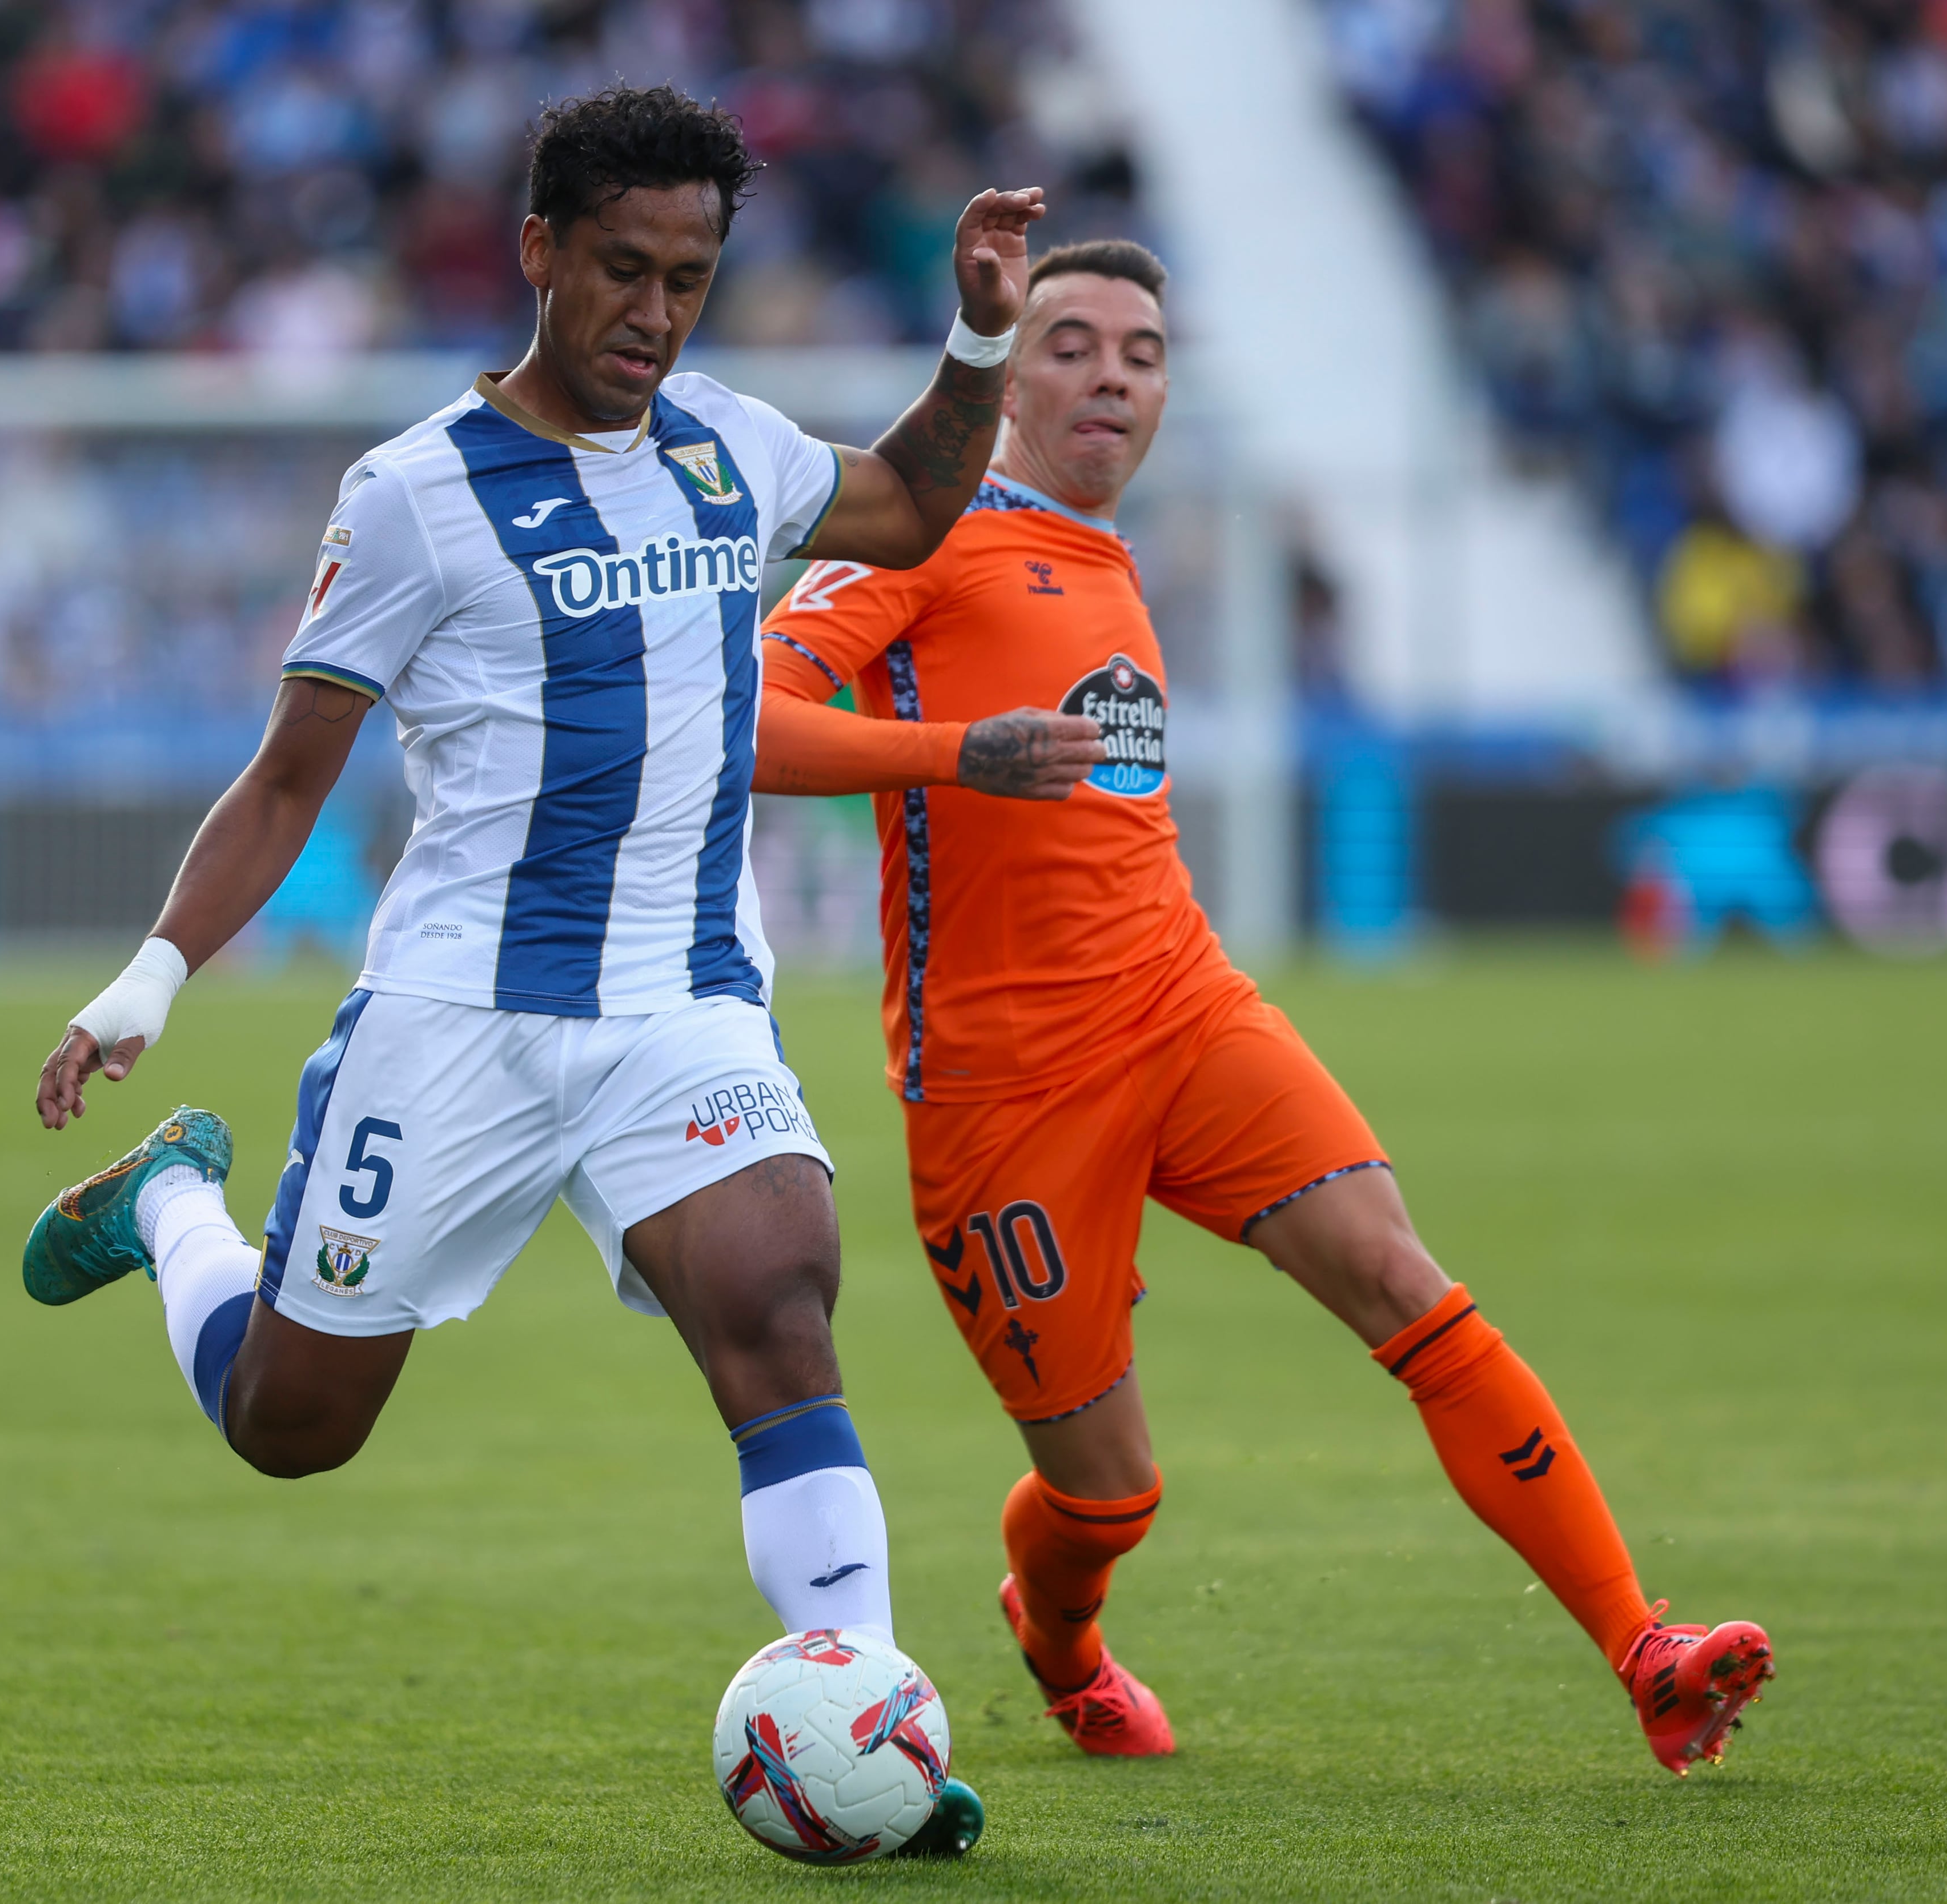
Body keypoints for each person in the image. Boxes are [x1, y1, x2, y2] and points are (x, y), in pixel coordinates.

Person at [17, 85, 1035, 1835]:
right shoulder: (413, 497)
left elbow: (914, 506)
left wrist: (978, 336)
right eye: (623, 270)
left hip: (681, 1005)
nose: (653, 315)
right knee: (292, 1423)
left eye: (689, 279)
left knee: (781, 1295)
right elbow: (284, 779)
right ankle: (178, 1206)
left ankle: (874, 1724)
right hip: (458, 1022)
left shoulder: (727, 445)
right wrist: (150, 979)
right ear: (540, 250)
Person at [752, 239, 1775, 1775]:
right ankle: (1063, 1638)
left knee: (1398, 1272)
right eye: (1073, 342)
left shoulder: (1107, 551)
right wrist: (956, 753)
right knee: (1109, 1495)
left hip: (1182, 1002)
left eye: (1142, 352)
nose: (1111, 372)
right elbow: (744, 722)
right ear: (1005, 376)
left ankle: (1648, 1647)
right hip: (1002, 1090)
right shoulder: (921, 537)